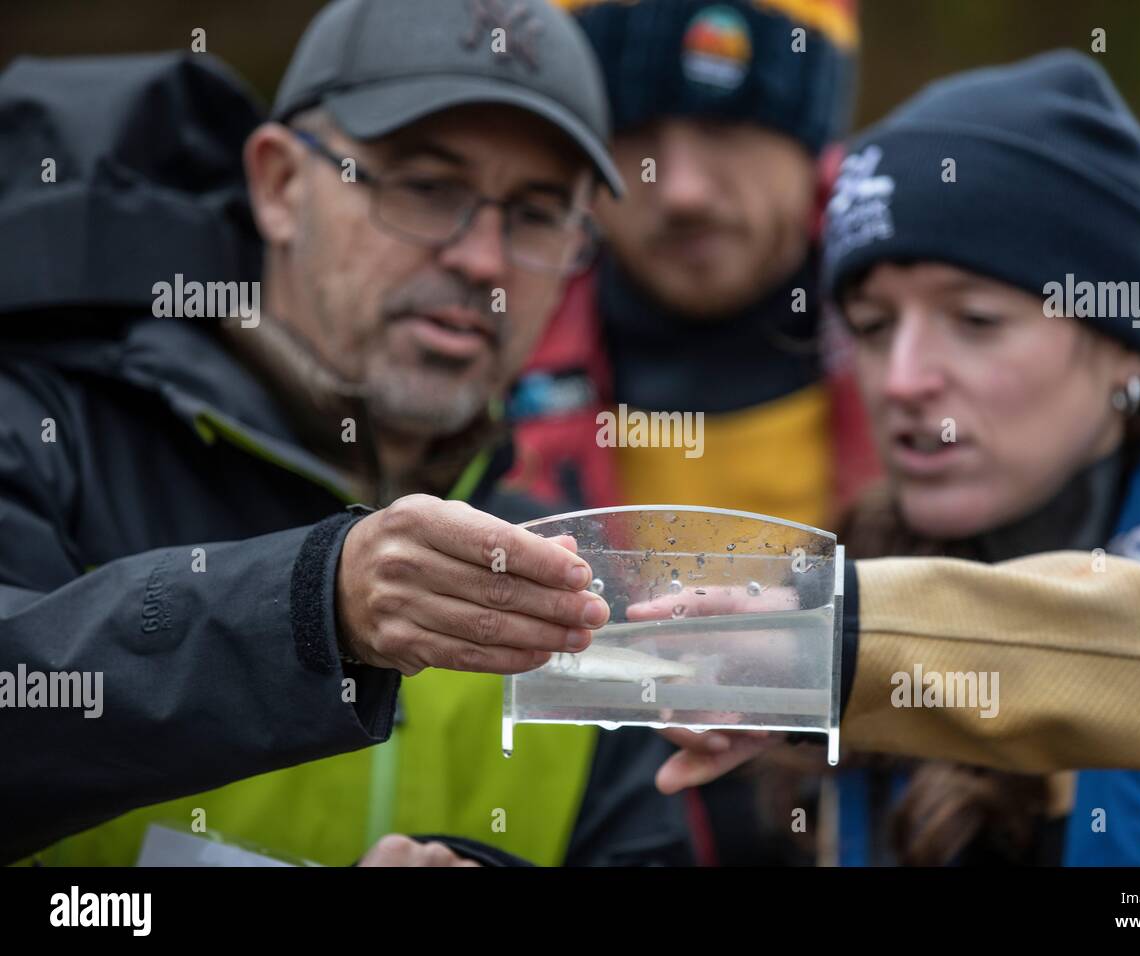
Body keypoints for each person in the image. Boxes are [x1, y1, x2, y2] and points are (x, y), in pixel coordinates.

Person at [0, 0, 690, 867]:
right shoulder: (45, 434)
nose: (482, 259)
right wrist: (312, 606)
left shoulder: (571, 573)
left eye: (537, 213)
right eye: (427, 187)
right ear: (281, 186)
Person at [653, 50, 1140, 866]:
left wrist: (856, 644)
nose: (904, 380)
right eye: (875, 326)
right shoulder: (852, 556)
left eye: (977, 320)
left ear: (1127, 350)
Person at [508, 0, 877, 531]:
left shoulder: (964, 331)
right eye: (634, 136)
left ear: (815, 148)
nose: (683, 191)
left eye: (723, 127)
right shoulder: (479, 351)